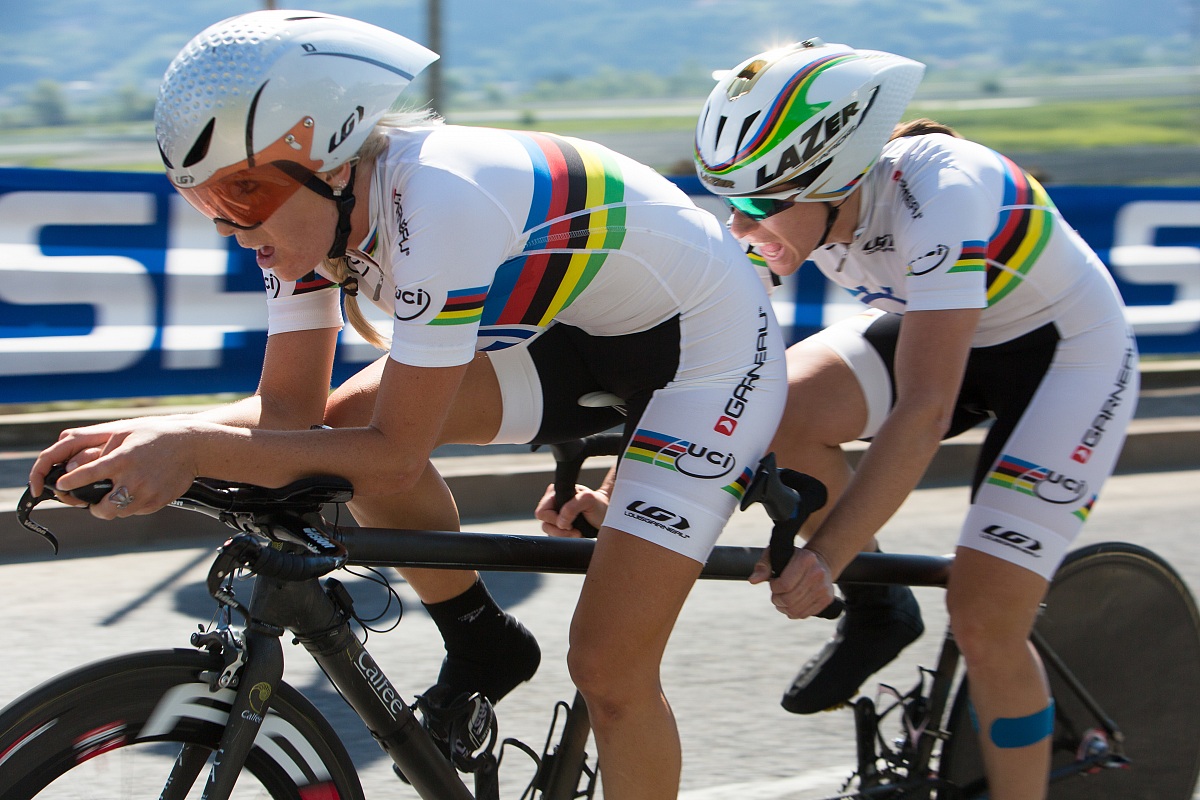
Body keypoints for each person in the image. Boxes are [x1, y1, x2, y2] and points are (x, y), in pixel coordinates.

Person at [29, 10, 787, 799]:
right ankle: (482, 638)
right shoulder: (306, 222)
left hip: (704, 354)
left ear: (327, 158)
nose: (229, 226)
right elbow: (288, 412)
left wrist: (187, 449)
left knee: (609, 665)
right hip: (572, 334)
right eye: (208, 199)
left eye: (242, 191)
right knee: (342, 423)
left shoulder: (436, 198)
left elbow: (395, 452)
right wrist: (150, 432)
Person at [690, 38, 1138, 800]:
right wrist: (612, 486)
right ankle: (880, 608)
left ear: (836, 176)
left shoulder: (944, 189)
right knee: (782, 407)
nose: (739, 224)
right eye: (730, 200)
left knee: (985, 616)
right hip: (948, 327)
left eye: (761, 204)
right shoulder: (801, 213)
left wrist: (826, 552)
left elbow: (925, 409)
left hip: (1067, 357)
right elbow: (706, 362)